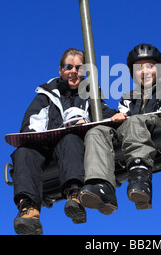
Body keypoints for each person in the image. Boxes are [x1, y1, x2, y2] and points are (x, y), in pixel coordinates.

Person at [79, 43, 161, 214]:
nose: (145, 72)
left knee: (135, 122)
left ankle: (140, 176)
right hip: (133, 133)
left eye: (150, 66)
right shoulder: (127, 99)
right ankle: (102, 186)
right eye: (139, 68)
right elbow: (123, 120)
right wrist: (117, 117)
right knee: (96, 132)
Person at [10, 48, 116, 235]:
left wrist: (112, 118)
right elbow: (31, 121)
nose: (74, 71)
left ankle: (74, 195)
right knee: (23, 151)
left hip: (73, 148)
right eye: (69, 67)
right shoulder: (47, 95)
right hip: (47, 147)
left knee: (70, 138)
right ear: (60, 70)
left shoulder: (91, 95)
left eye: (79, 67)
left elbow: (104, 114)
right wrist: (36, 133)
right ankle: (29, 210)